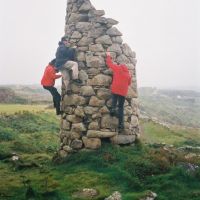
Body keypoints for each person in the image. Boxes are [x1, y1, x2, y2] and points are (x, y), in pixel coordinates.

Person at [106, 52, 132, 132]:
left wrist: (108, 56)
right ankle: (121, 125)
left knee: (114, 103)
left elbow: (109, 64)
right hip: (123, 92)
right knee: (120, 108)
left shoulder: (117, 68)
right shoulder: (128, 74)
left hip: (115, 89)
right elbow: (129, 83)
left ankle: (113, 110)